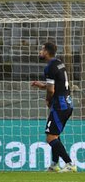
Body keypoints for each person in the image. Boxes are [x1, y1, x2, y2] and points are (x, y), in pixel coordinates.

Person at [31, 42, 77, 172]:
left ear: (46, 52)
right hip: (67, 103)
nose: (40, 52)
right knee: (55, 134)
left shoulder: (50, 67)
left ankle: (70, 164)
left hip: (60, 105)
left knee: (50, 137)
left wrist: (48, 99)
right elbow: (57, 83)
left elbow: (51, 90)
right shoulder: (59, 63)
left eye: (41, 49)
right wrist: (42, 85)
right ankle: (54, 164)